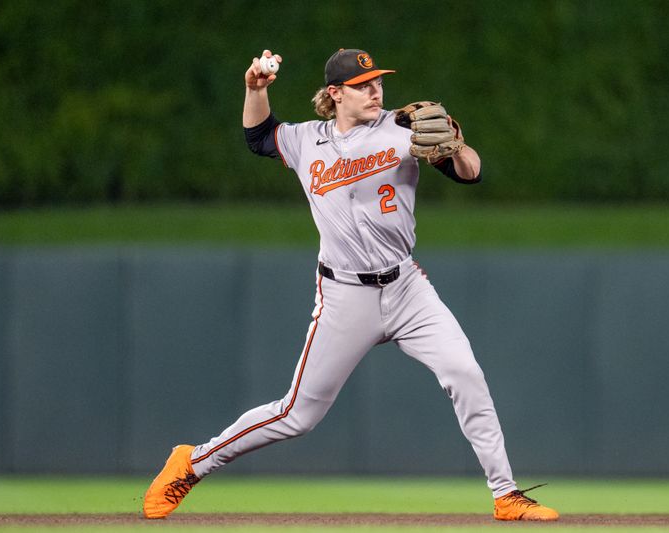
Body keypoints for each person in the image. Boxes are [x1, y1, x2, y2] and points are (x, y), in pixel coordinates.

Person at [143, 48, 559, 522]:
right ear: (335, 94)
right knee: (296, 415)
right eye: (363, 85)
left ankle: (506, 495)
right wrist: (255, 90)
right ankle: (192, 462)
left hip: (406, 289)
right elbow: (258, 137)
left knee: (466, 374)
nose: (375, 91)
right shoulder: (305, 140)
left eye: (378, 82)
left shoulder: (403, 128)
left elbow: (472, 174)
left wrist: (458, 147)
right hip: (343, 295)